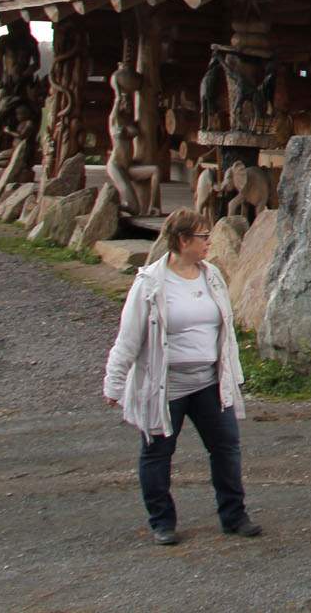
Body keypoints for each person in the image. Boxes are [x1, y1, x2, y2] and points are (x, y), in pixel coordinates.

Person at [103, 208, 260, 545]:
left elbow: (226, 330)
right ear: (183, 240)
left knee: (226, 447)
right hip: (167, 384)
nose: (208, 243)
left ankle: (234, 515)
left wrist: (234, 373)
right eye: (203, 237)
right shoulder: (150, 284)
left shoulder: (212, 276)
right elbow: (128, 339)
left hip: (208, 381)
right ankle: (162, 521)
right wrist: (114, 384)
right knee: (157, 453)